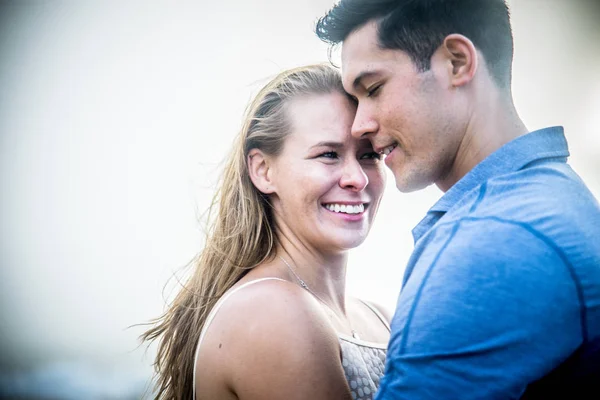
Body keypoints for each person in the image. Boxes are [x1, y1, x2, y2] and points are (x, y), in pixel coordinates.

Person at [315, 0, 600, 398]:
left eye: (374, 89)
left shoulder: (487, 240)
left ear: (456, 62)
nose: (360, 125)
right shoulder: (558, 194)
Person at [141, 64, 391, 400]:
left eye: (369, 155)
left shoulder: (382, 318)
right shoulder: (271, 311)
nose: (357, 178)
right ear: (263, 170)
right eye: (329, 154)